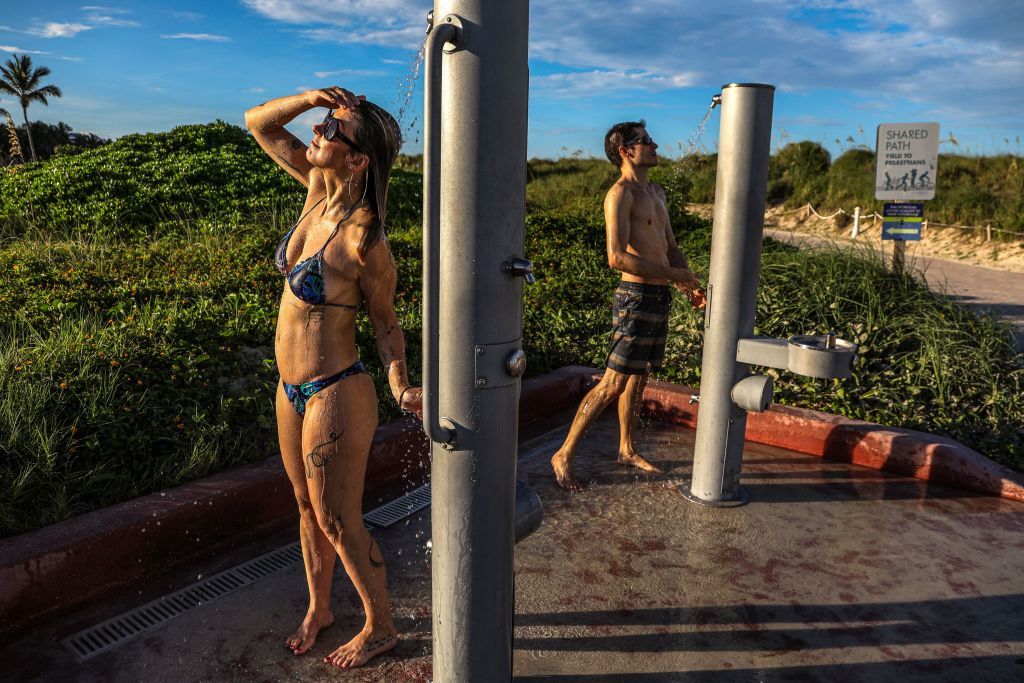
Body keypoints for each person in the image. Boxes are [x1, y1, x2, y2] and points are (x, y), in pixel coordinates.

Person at [245, 86, 420, 669]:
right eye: (321, 124)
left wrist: (400, 384)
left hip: (336, 387)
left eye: (331, 129)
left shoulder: (364, 236)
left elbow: (386, 320)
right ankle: (321, 608)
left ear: (359, 159)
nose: (317, 133)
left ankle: (381, 625)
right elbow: (258, 124)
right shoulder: (316, 193)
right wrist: (310, 97)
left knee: (338, 518)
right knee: (304, 505)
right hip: (289, 388)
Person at [550, 120, 705, 492]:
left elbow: (670, 246)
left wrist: (687, 283)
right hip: (634, 297)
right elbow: (616, 257)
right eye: (645, 141)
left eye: (651, 139)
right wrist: (671, 274)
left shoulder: (657, 193)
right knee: (614, 381)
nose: (654, 145)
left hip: (659, 296)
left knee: (640, 376)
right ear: (625, 151)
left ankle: (626, 448)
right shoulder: (619, 195)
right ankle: (564, 453)